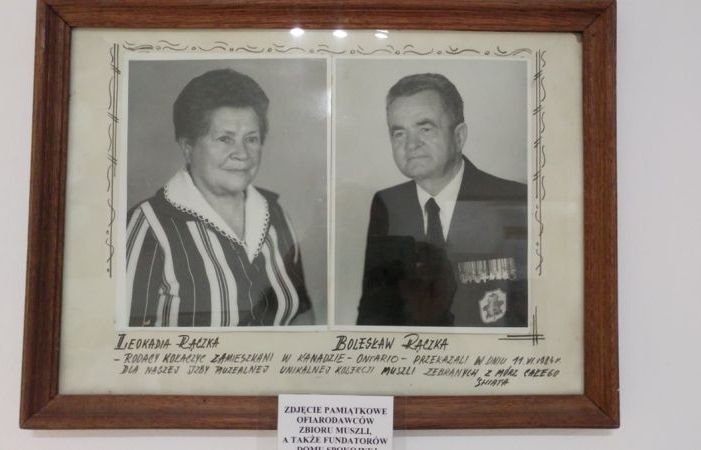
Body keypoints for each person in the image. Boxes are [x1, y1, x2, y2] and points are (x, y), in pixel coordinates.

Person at [126, 68, 313, 327]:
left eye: (251, 139)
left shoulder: (276, 214)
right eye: (225, 139)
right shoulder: (148, 226)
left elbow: (301, 313)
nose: (242, 154)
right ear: (188, 147)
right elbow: (122, 340)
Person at [356, 73, 528, 327]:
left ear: (459, 137)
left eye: (425, 129)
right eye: (399, 133)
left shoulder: (513, 200)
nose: (411, 145)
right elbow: (373, 314)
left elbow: (531, 313)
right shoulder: (388, 203)